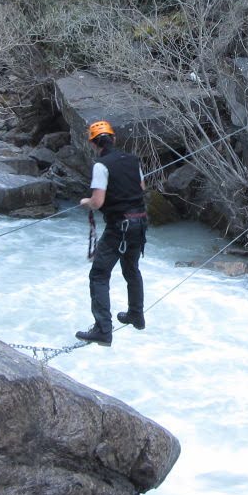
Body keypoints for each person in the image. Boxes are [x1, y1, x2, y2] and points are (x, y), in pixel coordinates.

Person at [75, 120, 148, 346]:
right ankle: (136, 314)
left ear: (94, 145)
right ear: (114, 139)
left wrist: (85, 202)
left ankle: (103, 330)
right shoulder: (133, 160)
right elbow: (141, 189)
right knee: (131, 269)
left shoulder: (101, 165)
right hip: (139, 223)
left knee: (99, 275)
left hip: (120, 226)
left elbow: (97, 202)